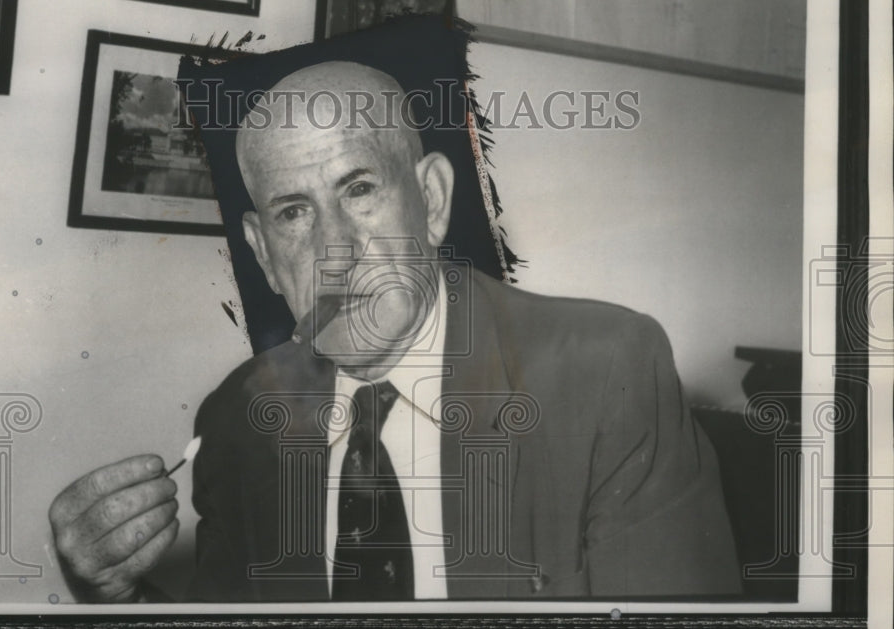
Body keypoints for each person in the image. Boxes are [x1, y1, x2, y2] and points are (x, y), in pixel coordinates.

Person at [49, 61, 741, 603]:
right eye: (294, 213)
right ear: (263, 254)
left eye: (359, 190)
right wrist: (115, 592)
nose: (336, 251)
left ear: (432, 201)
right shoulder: (236, 420)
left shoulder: (607, 371)